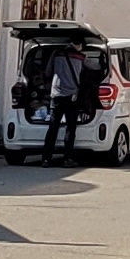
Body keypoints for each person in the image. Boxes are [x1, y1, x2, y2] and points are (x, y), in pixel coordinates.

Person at [34, 39, 90, 167]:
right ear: (79, 45)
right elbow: (93, 68)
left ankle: (46, 159)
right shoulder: (81, 57)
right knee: (70, 128)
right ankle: (67, 159)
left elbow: (48, 72)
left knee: (53, 128)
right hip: (72, 97)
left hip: (56, 96)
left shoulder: (56, 54)